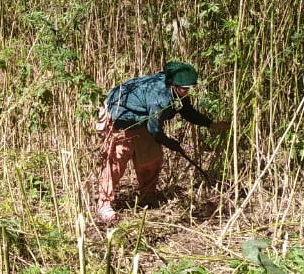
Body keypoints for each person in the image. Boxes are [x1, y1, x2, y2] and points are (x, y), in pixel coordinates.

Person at [95, 60, 228, 224]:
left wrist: (210, 124)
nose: (188, 92)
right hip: (119, 117)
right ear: (173, 84)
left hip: (141, 119)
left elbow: (186, 111)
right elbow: (155, 130)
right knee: (115, 163)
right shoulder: (160, 98)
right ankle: (104, 204)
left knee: (152, 158)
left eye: (190, 89)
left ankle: (147, 197)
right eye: (185, 89)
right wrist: (170, 143)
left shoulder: (178, 91)